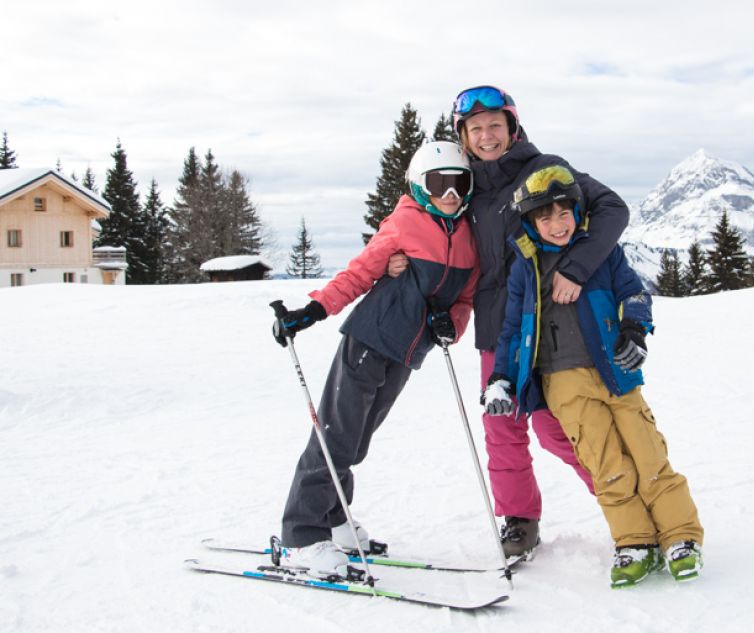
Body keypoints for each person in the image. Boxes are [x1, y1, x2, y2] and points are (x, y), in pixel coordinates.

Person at [389, 85, 630, 557]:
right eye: (475, 128)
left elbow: (612, 208)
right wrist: (399, 257)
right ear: (463, 135)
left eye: (495, 125)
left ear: (512, 128)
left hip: (549, 322)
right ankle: (520, 520)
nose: (486, 135)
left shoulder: (544, 169)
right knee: (502, 429)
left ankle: (626, 504)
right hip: (497, 326)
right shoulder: (466, 184)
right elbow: (433, 228)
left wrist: (575, 267)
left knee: (557, 428)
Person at [483, 162, 704, 588]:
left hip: (615, 372)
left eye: (564, 212)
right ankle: (634, 541)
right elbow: (512, 331)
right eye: (544, 216)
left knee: (648, 454)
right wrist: (502, 378)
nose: (557, 223)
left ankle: (680, 536)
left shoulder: (601, 253)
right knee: (606, 464)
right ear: (530, 221)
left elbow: (634, 293)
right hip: (563, 383)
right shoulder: (523, 269)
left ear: (578, 212)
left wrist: (634, 330)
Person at [270, 141, 479, 576]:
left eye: (461, 184)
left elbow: (464, 298)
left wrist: (451, 325)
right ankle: (301, 536)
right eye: (440, 184)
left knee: (357, 440)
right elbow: (359, 272)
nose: (452, 195)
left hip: (406, 352)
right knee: (335, 438)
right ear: (421, 186)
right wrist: (312, 311)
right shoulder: (405, 223)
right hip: (368, 340)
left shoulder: (468, 239)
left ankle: (335, 518)